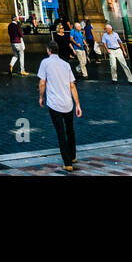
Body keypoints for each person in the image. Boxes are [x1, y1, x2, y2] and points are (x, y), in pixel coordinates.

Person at [38, 41, 82, 171]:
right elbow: (72, 85)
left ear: (48, 50)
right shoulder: (66, 64)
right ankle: (73, 156)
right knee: (70, 130)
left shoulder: (45, 63)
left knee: (61, 133)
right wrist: (77, 104)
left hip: (54, 103)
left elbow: (42, 83)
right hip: (68, 103)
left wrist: (41, 97)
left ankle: (67, 163)